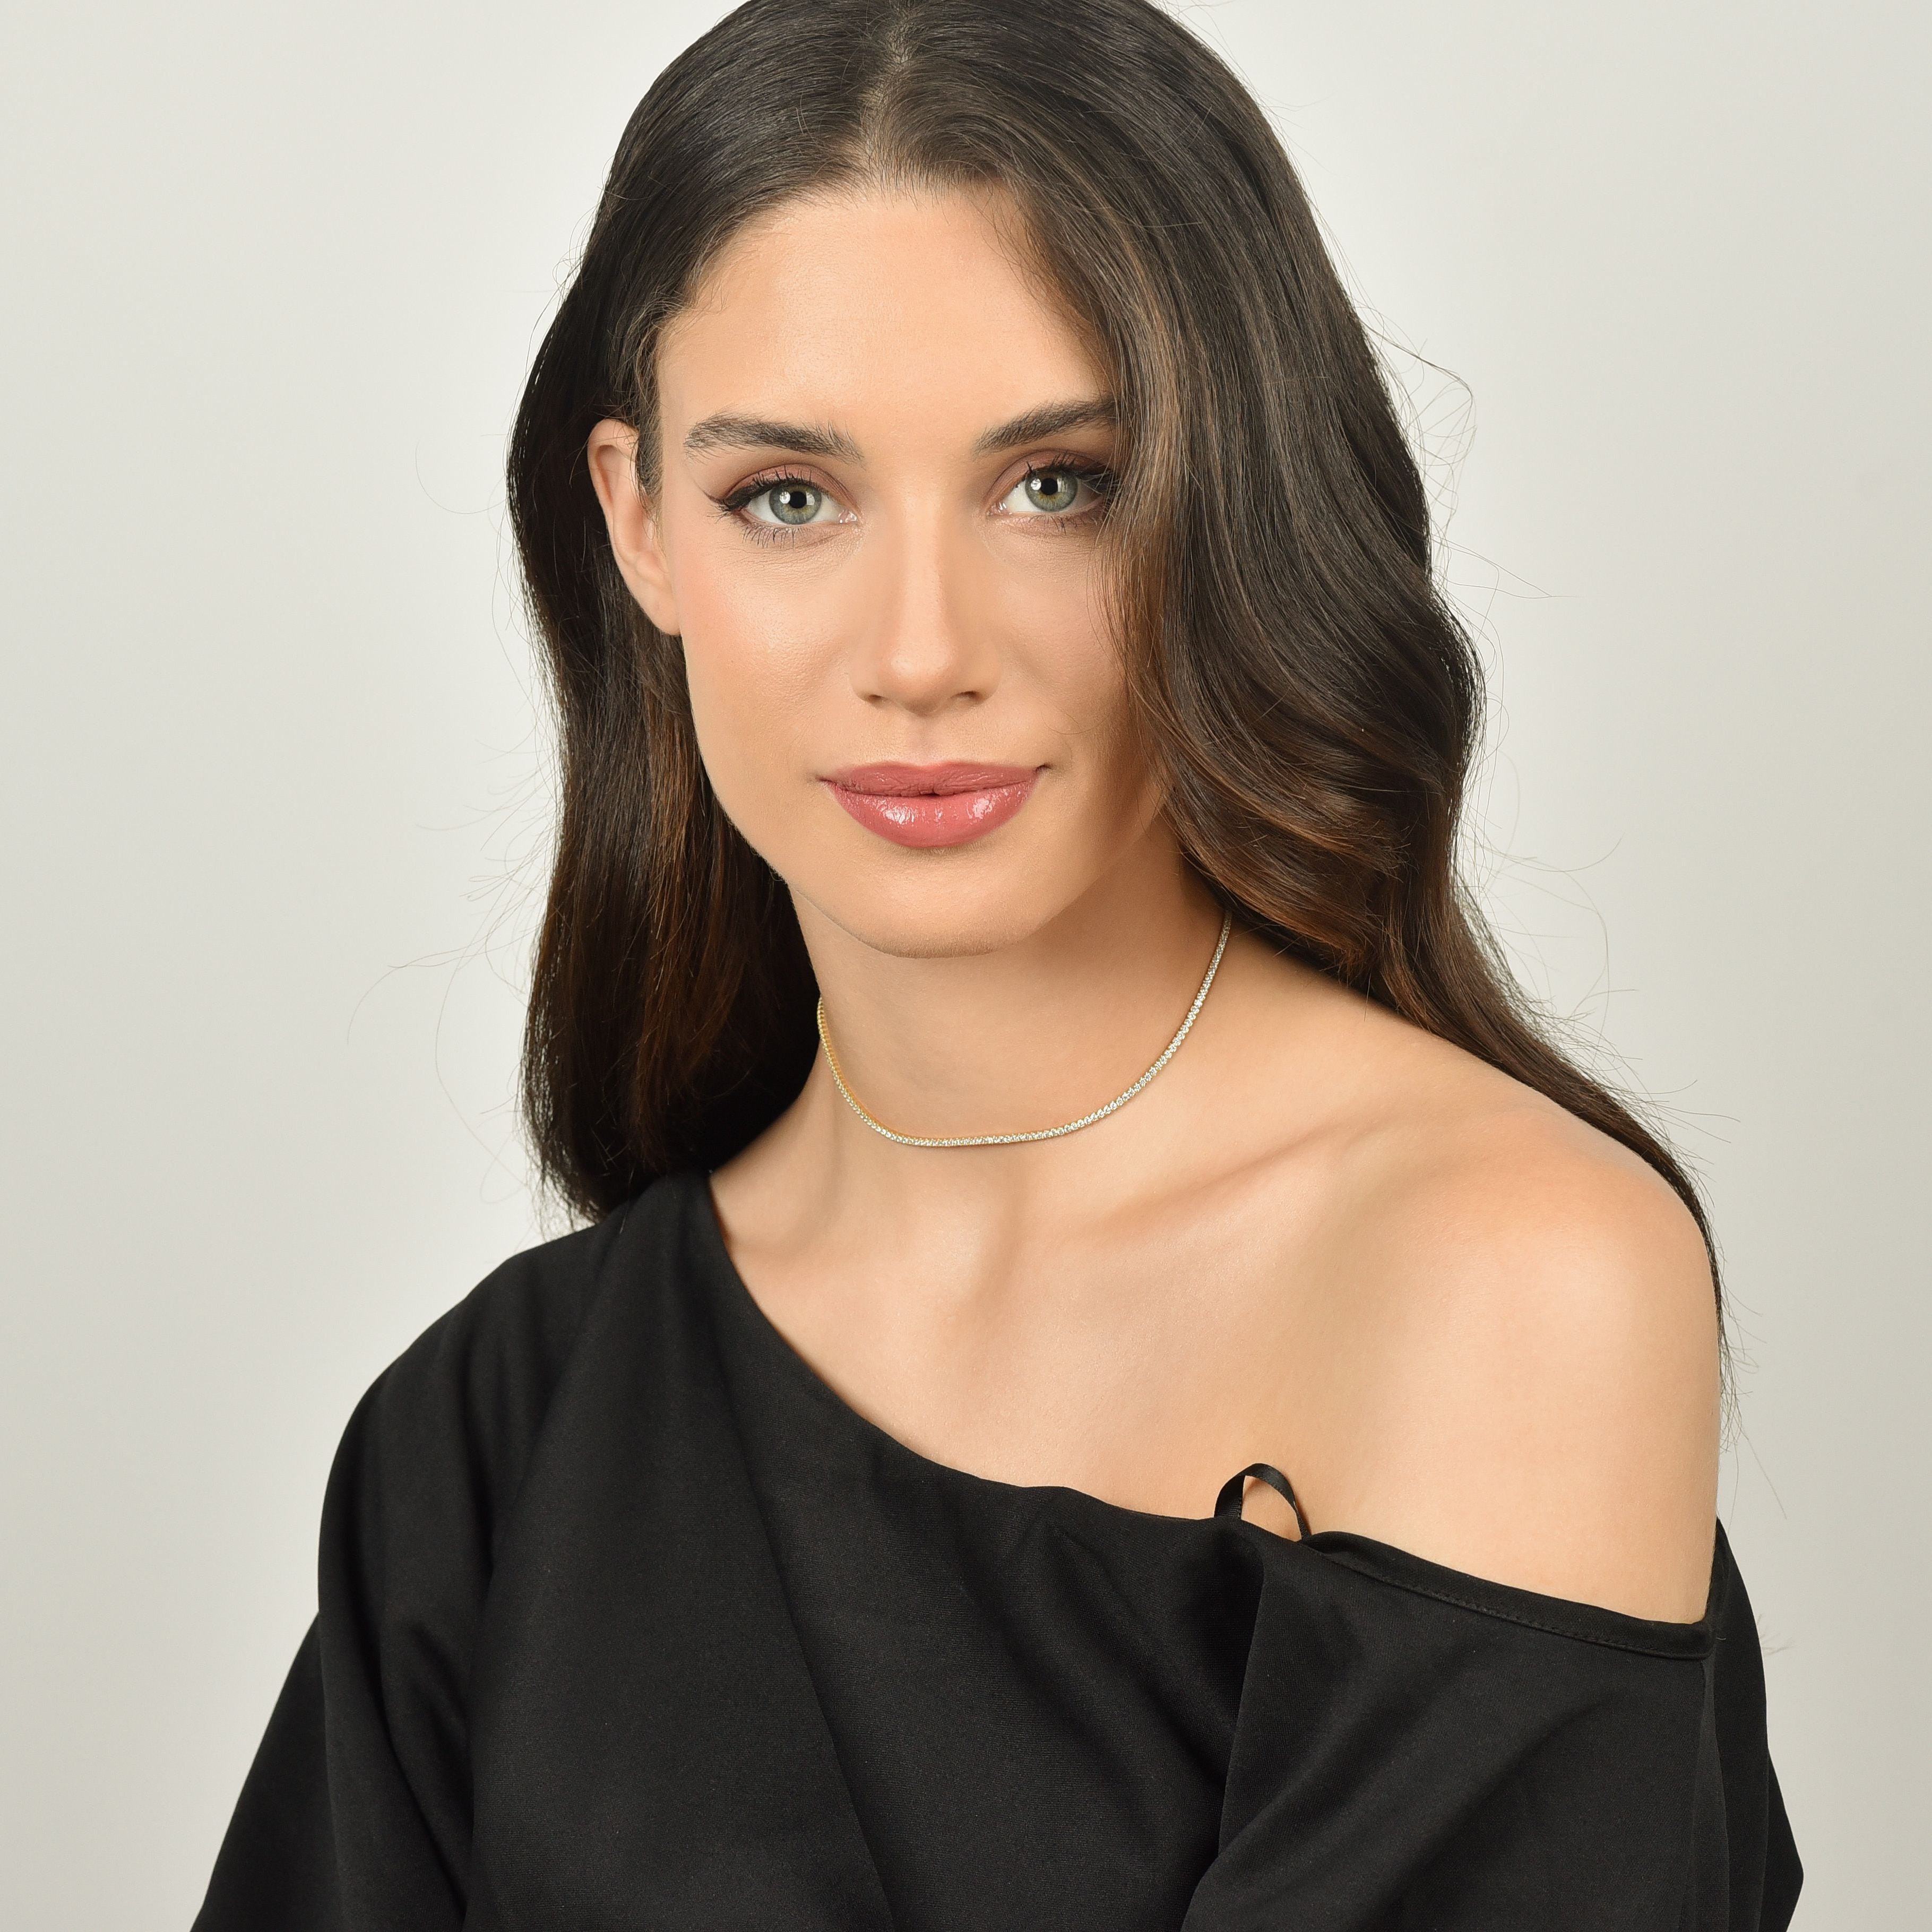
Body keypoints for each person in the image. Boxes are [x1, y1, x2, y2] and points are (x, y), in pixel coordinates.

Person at [193, 1, 1801, 1925]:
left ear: (1235, 500)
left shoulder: (1507, 1275)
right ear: (638, 524)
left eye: (1058, 484)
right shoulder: (491, 1442)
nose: (921, 651)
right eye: (788, 498)